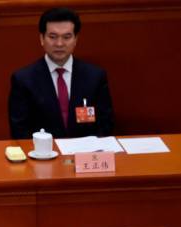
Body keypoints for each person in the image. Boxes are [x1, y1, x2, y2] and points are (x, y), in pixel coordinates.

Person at [8, 8, 114, 139]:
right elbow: (20, 131)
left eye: (67, 37)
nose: (59, 43)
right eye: (53, 37)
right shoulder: (23, 80)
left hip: (84, 154)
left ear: (76, 39)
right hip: (43, 155)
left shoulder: (95, 77)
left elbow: (105, 125)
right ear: (42, 38)